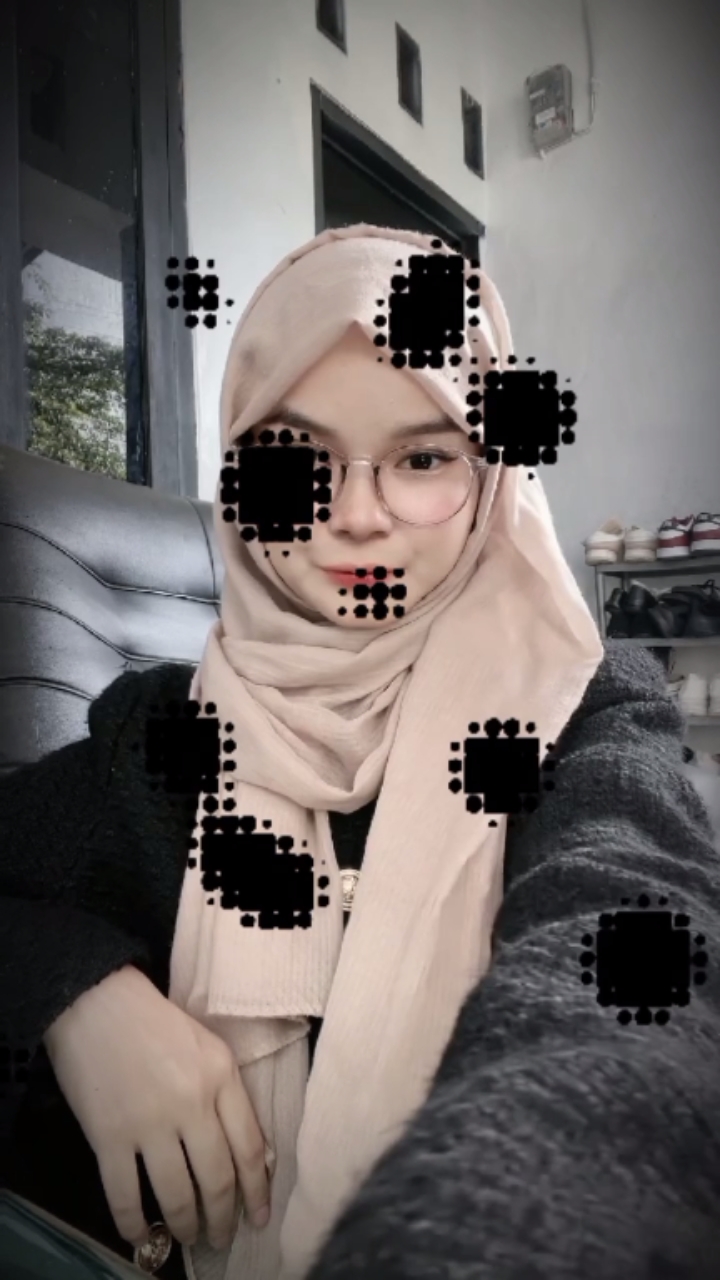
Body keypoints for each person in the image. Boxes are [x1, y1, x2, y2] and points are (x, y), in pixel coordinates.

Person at [2, 224, 720, 1280]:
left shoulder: (583, 709)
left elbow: (628, 958)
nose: (354, 517)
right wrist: (78, 995)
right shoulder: (162, 733)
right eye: (296, 456)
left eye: (424, 457)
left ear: (491, 475)